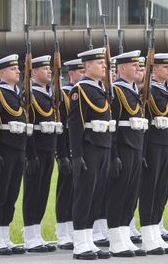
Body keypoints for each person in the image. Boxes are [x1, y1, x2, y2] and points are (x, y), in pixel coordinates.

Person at [68, 48, 113, 260]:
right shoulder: (80, 89)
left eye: (104, 63)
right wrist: (76, 155)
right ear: (87, 67)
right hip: (89, 147)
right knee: (84, 195)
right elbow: (75, 124)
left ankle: (88, 240)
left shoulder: (100, 89)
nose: (104, 66)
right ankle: (79, 244)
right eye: (99, 63)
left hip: (103, 145)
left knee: (96, 196)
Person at [108, 51, 150, 257]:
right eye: (134, 65)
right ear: (122, 68)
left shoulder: (133, 91)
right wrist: (113, 154)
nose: (138, 69)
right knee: (118, 194)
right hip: (123, 149)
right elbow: (113, 126)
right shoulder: (116, 91)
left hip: (135, 147)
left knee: (130, 195)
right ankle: (116, 240)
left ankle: (125, 236)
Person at [0, 54, 29, 255]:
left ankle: (5, 235)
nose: (18, 71)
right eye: (13, 69)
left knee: (12, 194)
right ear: (1, 72)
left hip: (18, 148)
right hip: (4, 149)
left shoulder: (16, 94)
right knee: (0, 194)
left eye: (17, 68)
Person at [140, 53, 168, 253]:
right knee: (150, 190)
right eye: (165, 67)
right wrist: (144, 152)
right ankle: (147, 234)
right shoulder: (148, 91)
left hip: (167, 143)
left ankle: (155, 230)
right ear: (154, 70)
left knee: (162, 191)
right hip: (153, 145)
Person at [22, 55, 61, 252]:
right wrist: (30, 155)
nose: (49, 71)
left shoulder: (49, 95)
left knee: (43, 192)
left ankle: (36, 233)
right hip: (35, 150)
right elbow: (28, 127)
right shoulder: (29, 95)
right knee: (32, 193)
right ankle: (29, 235)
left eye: (49, 68)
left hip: (48, 149)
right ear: (34, 72)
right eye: (44, 69)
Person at [55, 59, 85, 250]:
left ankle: (73, 228)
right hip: (67, 147)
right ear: (71, 74)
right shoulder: (65, 94)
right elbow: (63, 127)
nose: (83, 75)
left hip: (81, 148)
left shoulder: (84, 92)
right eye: (80, 71)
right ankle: (62, 231)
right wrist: (62, 154)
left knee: (78, 191)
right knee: (65, 191)